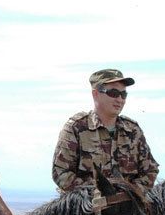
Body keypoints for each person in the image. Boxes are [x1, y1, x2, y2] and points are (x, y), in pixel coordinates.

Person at [52, 68, 158, 196]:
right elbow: (61, 172)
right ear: (95, 94)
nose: (120, 99)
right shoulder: (76, 128)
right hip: (87, 208)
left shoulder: (133, 130)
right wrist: (97, 193)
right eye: (113, 93)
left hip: (128, 208)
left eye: (123, 94)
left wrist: (128, 194)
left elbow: (150, 170)